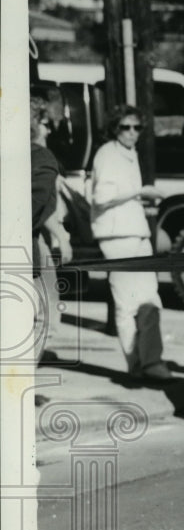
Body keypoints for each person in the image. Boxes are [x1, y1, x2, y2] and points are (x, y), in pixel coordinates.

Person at [90, 105, 172, 381]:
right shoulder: (107, 154)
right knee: (127, 303)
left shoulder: (128, 154)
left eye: (137, 128)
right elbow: (101, 196)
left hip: (136, 234)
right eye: (126, 127)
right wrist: (139, 191)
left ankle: (151, 362)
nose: (132, 133)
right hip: (117, 236)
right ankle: (136, 364)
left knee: (150, 298)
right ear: (115, 128)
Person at [30, 96, 72, 363]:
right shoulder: (42, 157)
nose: (48, 130)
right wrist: (62, 236)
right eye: (45, 124)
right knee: (45, 315)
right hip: (32, 245)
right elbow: (36, 205)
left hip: (37, 241)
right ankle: (20, 379)